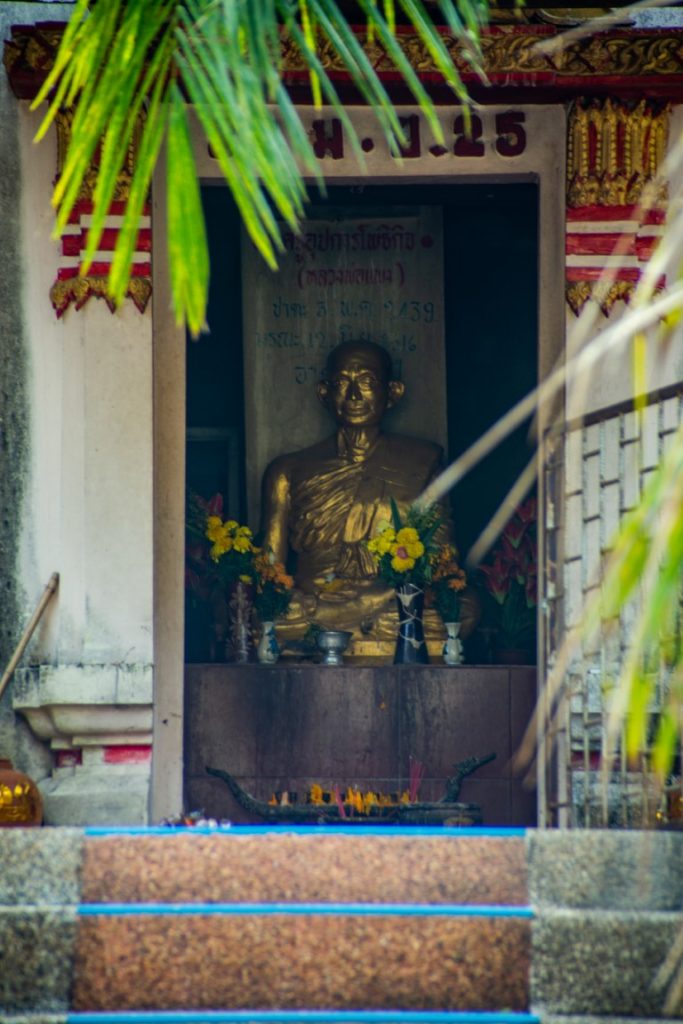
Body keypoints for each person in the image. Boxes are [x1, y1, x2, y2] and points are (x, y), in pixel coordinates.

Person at [260, 340, 479, 648]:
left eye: (367, 382)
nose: (354, 395)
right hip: (315, 600)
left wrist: (375, 597)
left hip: (388, 599)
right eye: (342, 383)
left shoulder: (421, 462)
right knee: (266, 613)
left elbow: (442, 563)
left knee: (464, 609)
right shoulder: (288, 470)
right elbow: (269, 571)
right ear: (324, 393)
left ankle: (335, 628)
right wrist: (287, 598)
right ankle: (356, 625)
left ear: (393, 393)